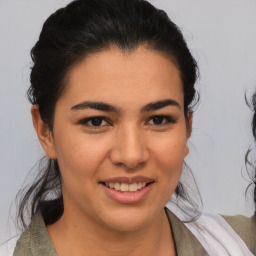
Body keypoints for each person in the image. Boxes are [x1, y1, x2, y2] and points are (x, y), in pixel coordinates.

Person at [12, 0, 255, 255]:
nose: (131, 155)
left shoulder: (242, 245)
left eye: (158, 119)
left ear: (187, 127)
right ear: (45, 131)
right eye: (96, 121)